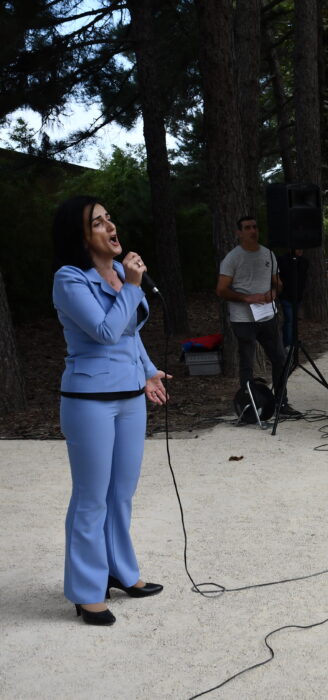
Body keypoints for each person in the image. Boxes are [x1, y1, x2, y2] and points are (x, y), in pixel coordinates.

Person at [51, 196, 168, 626]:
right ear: (81, 238)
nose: (109, 226)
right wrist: (133, 286)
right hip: (89, 402)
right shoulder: (69, 279)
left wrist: (149, 370)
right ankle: (86, 591)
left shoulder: (121, 272)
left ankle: (119, 571)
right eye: (97, 223)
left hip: (130, 397)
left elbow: (129, 334)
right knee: (90, 498)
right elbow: (103, 332)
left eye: (108, 218)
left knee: (121, 493)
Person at [217, 216, 299, 416]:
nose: (252, 231)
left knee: (279, 358)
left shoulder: (268, 254)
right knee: (247, 362)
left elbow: (278, 283)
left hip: (267, 317)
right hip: (243, 319)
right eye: (247, 228)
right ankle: (250, 405)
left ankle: (281, 403)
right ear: (239, 233)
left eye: (255, 227)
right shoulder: (232, 258)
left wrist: (274, 292)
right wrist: (246, 298)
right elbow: (221, 290)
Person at [276, 248, 308, 349]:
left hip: (297, 296)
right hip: (287, 296)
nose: (300, 251)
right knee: (289, 320)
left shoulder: (303, 262)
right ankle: (288, 344)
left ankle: (293, 341)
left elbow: (303, 278)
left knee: (293, 320)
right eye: (298, 249)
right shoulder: (283, 260)